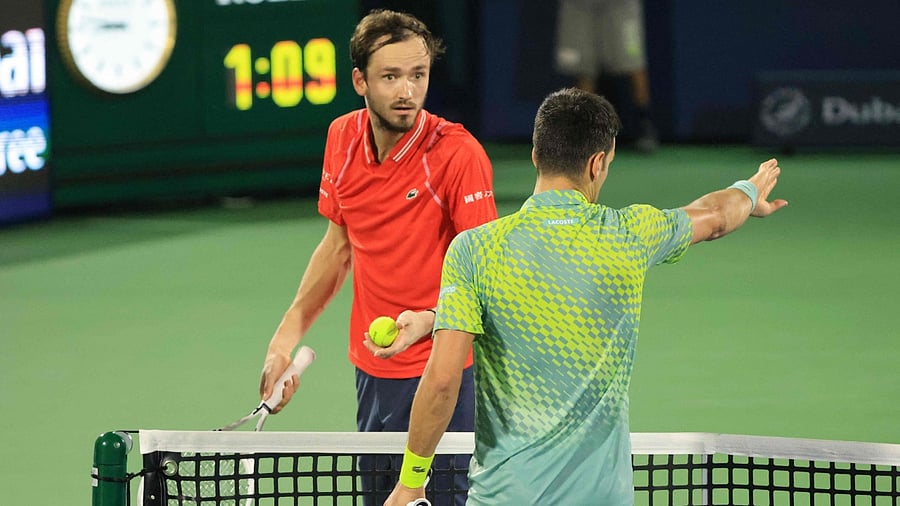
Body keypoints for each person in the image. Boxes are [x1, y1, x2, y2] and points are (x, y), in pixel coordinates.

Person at [385, 87, 788, 505]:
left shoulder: (475, 250)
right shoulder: (631, 234)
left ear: (536, 155)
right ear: (598, 163)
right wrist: (749, 191)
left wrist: (412, 480)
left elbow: (444, 380)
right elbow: (716, 215)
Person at [257, 9, 497, 506]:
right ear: (359, 81)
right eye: (390, 77)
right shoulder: (341, 138)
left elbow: (488, 279)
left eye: (418, 75)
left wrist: (429, 321)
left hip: (444, 375)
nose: (407, 92)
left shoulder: (457, 155)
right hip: (372, 374)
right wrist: (285, 339)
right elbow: (339, 245)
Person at [555, 0, 659, 153]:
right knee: (585, 69)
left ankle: (644, 125)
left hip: (621, 5)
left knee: (632, 61)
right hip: (579, 5)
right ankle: (584, 131)